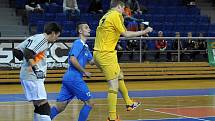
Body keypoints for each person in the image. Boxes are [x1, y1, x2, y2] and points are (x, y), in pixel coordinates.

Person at [93, 0, 153, 121]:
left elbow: (117, 30)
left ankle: (129, 103)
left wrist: (123, 17)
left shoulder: (106, 15)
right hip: (106, 54)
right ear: (119, 6)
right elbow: (125, 34)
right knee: (113, 85)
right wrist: (144, 31)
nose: (124, 11)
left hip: (99, 53)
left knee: (119, 76)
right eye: (123, 8)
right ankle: (112, 117)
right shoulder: (115, 15)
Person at [15, 22, 61, 121]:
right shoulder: (43, 40)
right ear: (53, 33)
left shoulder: (36, 37)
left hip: (28, 76)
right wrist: (35, 68)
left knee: (39, 106)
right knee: (44, 107)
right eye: (57, 36)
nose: (56, 39)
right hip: (33, 77)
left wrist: (26, 62)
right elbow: (28, 52)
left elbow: (17, 51)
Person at [50, 22, 94, 121]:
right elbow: (72, 59)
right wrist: (84, 71)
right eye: (86, 28)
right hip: (74, 78)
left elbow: (92, 62)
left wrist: (105, 53)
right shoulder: (78, 43)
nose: (89, 29)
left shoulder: (86, 47)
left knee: (60, 106)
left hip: (69, 78)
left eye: (89, 27)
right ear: (80, 31)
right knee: (89, 103)